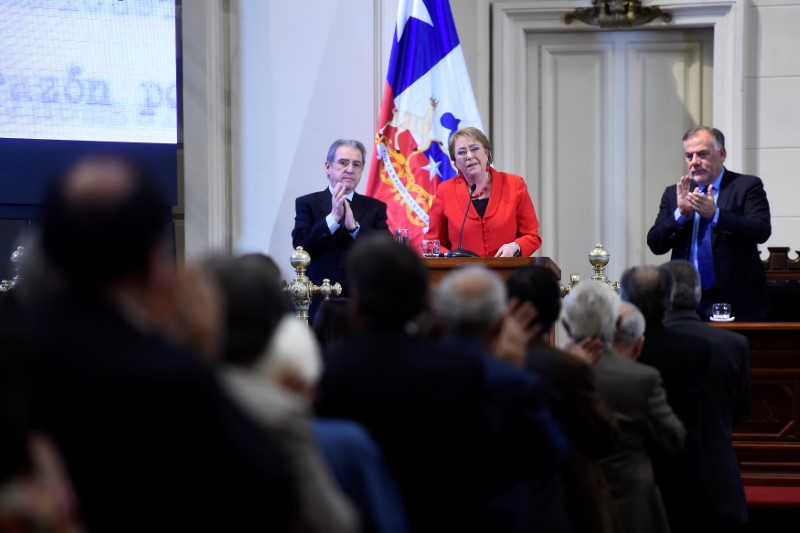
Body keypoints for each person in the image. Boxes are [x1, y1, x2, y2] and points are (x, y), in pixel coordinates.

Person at [28, 155, 296, 531]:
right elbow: (266, 496)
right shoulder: (170, 378)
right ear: (156, 260)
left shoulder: (16, 355)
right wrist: (203, 351)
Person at [315, 235, 529, 532]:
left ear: (357, 308)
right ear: (425, 303)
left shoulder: (326, 372)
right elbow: (493, 469)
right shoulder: (458, 369)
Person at [433, 265, 568, 532]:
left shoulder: (418, 373)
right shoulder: (513, 382)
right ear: (499, 323)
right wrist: (513, 370)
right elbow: (552, 453)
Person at [506, 265, 623, 533]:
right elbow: (605, 438)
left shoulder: (486, 363)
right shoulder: (569, 368)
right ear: (558, 313)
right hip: (563, 502)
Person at [563, 282, 685, 533]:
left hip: (567, 503)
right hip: (631, 504)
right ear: (615, 324)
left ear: (566, 325)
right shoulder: (640, 378)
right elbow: (673, 438)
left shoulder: (548, 374)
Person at [619, 265, 712, 533]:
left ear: (626, 300)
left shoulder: (616, 354)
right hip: (685, 472)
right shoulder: (698, 349)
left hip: (632, 476)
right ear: (668, 299)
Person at [661, 260, 751, 532]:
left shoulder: (646, 343)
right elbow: (742, 412)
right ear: (698, 295)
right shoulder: (735, 344)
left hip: (666, 483)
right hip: (720, 479)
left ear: (662, 295)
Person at [647, 126, 772, 320]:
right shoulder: (675, 193)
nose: (694, 162)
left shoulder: (746, 186)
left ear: (722, 154)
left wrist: (716, 215)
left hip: (736, 300)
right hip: (685, 302)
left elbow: (761, 230)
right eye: (689, 156)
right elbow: (655, 243)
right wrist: (681, 213)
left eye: (702, 154)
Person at [292, 139, 390, 318]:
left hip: (363, 304)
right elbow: (300, 245)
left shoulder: (375, 208)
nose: (350, 169)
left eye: (357, 164)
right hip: (318, 301)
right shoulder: (307, 203)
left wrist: (354, 228)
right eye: (343, 163)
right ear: (328, 167)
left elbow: (387, 251)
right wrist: (333, 219)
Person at [426, 127, 541, 257]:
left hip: (507, 273)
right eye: (461, 152)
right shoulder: (445, 192)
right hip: (462, 275)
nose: (469, 156)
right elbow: (432, 244)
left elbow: (532, 236)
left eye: (475, 149)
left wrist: (514, 246)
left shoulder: (514, 185)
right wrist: (452, 257)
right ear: (455, 162)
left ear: (487, 152)